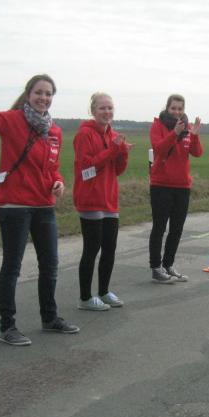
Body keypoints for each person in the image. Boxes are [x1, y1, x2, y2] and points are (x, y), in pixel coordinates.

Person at [0, 56, 79, 347]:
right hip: (15, 207)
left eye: (48, 94)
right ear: (28, 94)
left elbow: (52, 167)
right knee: (12, 267)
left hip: (44, 206)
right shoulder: (12, 120)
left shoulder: (54, 131)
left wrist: (59, 181)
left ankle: (49, 318)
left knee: (50, 265)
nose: (44, 98)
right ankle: (8, 326)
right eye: (39, 92)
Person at [72, 92, 131, 310]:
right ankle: (85, 298)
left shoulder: (113, 135)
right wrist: (114, 150)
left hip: (109, 199)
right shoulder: (84, 135)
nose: (107, 112)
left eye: (110, 108)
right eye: (102, 108)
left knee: (109, 248)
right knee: (91, 249)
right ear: (93, 111)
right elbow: (88, 167)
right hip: (90, 198)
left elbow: (117, 170)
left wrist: (122, 153)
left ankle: (104, 292)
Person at [148, 94, 203, 283]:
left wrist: (194, 135)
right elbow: (159, 149)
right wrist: (174, 133)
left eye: (180, 109)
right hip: (161, 185)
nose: (177, 112)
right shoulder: (158, 126)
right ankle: (156, 268)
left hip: (182, 186)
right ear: (167, 108)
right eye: (173, 108)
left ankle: (168, 265)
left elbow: (197, 153)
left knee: (177, 229)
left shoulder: (187, 127)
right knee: (159, 228)